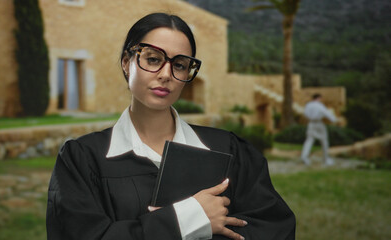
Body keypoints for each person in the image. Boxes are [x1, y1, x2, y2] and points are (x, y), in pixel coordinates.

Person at [46, 13, 295, 240]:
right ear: (126, 62)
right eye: (153, 59)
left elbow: (275, 230)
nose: (166, 74)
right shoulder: (82, 160)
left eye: (179, 65)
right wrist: (189, 220)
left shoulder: (229, 150)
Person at [301, 93, 337, 166]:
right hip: (318, 124)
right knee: (324, 141)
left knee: (309, 140)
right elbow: (326, 113)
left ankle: (304, 157)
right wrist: (334, 120)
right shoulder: (319, 105)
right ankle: (325, 159)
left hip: (311, 123)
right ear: (318, 98)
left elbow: (305, 114)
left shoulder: (308, 105)